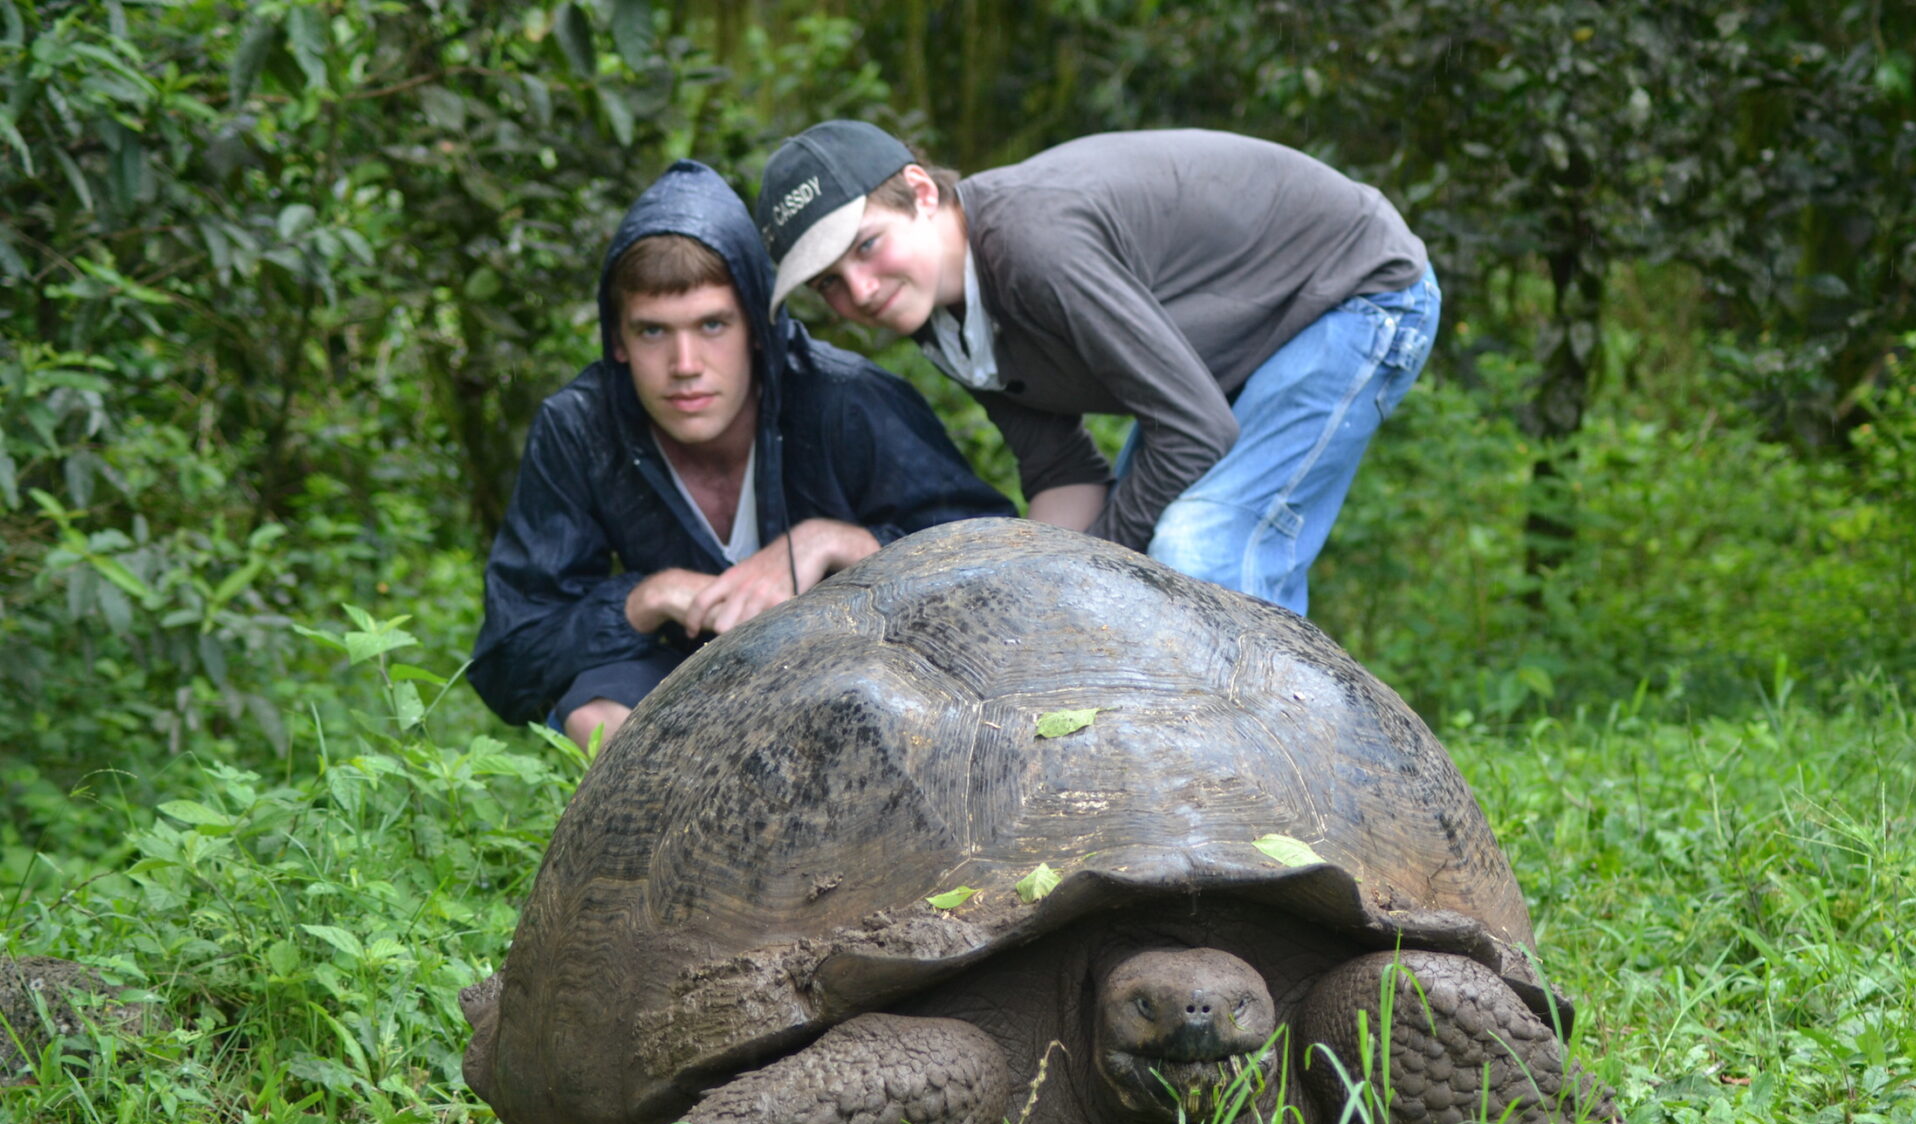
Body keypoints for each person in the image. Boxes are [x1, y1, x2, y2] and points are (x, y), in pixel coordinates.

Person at [756, 121, 1440, 616]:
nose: (861, 291)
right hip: (1242, 341)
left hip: (1355, 295)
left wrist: (1094, 574)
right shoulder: (937, 311)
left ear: (920, 194)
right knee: (1119, 564)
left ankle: (1284, 795)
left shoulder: (1032, 247)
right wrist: (1039, 600)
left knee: (1198, 550)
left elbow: (1194, 431)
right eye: (830, 283)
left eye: (867, 246)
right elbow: (1061, 471)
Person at [470, 160, 1012, 747]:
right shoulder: (580, 428)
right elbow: (509, 657)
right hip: (684, 691)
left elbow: (996, 567)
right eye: (653, 331)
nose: (685, 365)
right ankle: (671, 835)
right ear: (618, 341)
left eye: (712, 325)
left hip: (855, 681)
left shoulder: (845, 399)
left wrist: (838, 542)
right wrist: (645, 596)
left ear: (757, 326)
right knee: (594, 707)